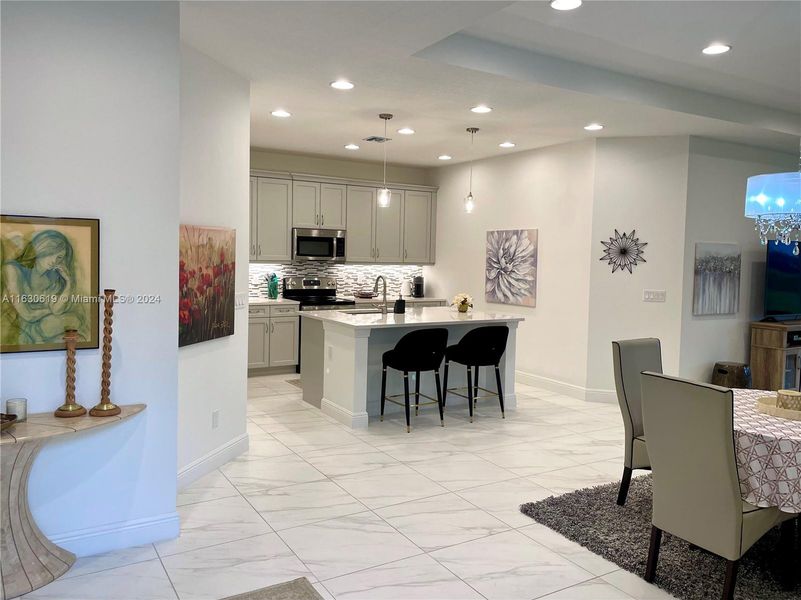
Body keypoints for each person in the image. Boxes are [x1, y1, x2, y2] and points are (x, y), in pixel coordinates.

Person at [1, 229, 87, 345]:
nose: (54, 261)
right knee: (71, 322)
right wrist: (50, 311)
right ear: (40, 248)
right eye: (51, 253)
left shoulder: (52, 277)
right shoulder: (12, 269)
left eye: (59, 257)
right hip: (15, 327)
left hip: (40, 327)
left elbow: (57, 309)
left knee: (76, 325)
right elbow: (27, 315)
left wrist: (68, 283)